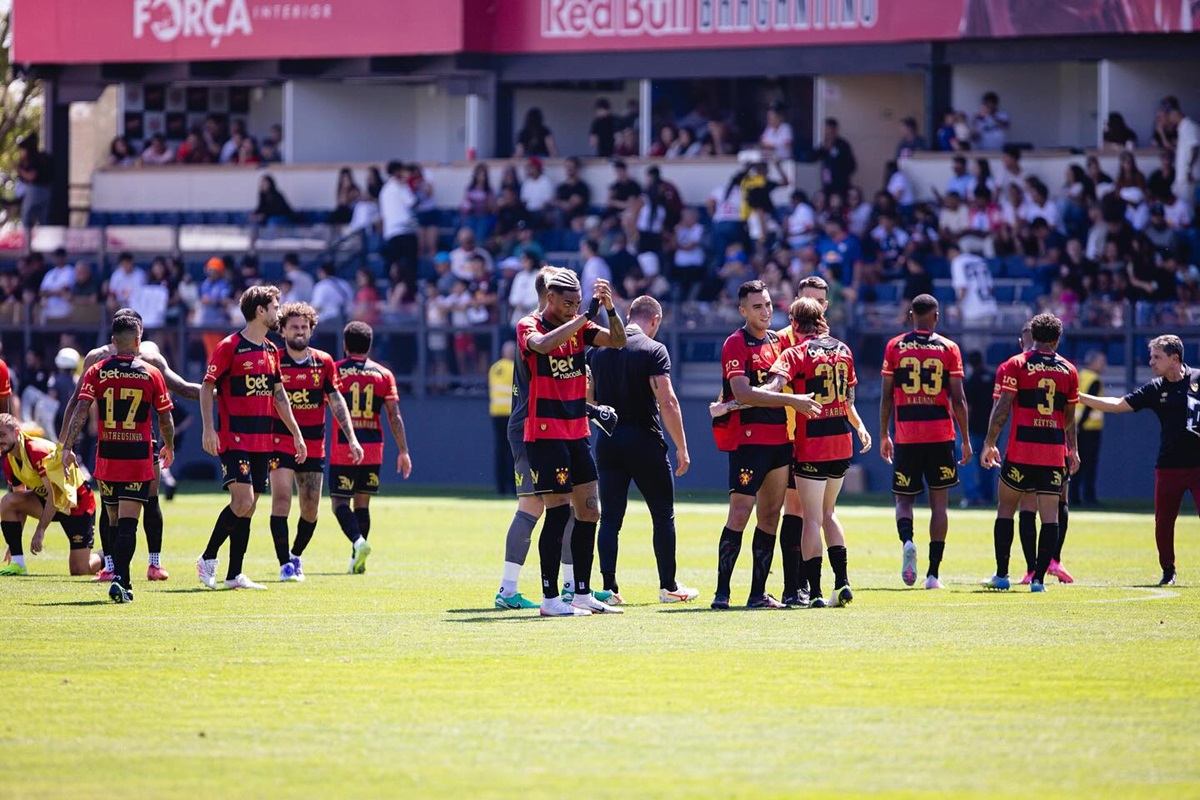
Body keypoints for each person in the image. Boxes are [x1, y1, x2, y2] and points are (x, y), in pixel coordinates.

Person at [58, 308, 201, 583]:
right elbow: (170, 407)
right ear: (139, 335)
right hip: (140, 449)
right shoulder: (142, 367)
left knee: (128, 507)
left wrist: (67, 445)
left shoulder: (102, 366)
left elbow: (78, 406)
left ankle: (146, 565)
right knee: (131, 514)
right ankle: (117, 571)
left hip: (111, 449)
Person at [515, 271, 627, 616]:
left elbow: (619, 341)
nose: (573, 308)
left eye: (577, 303)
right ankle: (550, 600)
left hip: (577, 430)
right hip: (545, 431)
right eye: (567, 303)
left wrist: (609, 309)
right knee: (558, 510)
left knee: (590, 510)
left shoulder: (580, 324)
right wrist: (583, 318)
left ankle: (581, 593)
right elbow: (543, 346)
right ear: (550, 298)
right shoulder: (529, 325)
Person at [709, 281, 821, 610]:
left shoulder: (779, 343)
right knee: (740, 513)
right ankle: (722, 593)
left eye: (769, 305)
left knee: (771, 516)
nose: (765, 311)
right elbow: (742, 392)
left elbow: (778, 381)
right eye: (757, 306)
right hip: (748, 442)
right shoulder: (735, 343)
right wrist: (791, 400)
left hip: (778, 442)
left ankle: (757, 593)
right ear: (742, 310)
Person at [589, 295, 698, 604]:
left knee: (610, 518)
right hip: (644, 440)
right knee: (663, 515)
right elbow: (667, 400)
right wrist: (682, 447)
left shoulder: (598, 350)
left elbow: (589, 398)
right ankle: (668, 586)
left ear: (628, 316)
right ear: (656, 320)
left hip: (608, 441)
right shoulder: (653, 349)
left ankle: (608, 589)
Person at [197, 286, 308, 591]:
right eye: (275, 307)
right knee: (242, 500)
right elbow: (207, 387)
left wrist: (296, 434)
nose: (278, 312)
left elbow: (279, 396)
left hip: (264, 441)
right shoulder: (230, 346)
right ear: (260, 311)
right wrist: (209, 428)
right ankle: (208, 558)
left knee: (251, 505)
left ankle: (235, 575)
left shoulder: (271, 350)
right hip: (235, 438)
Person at [766, 298, 869, 608]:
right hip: (841, 440)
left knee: (811, 519)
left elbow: (774, 386)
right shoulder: (844, 350)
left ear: (795, 323)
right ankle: (843, 582)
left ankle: (816, 592)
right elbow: (848, 399)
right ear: (821, 318)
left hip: (812, 443)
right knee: (829, 514)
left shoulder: (794, 353)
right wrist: (861, 427)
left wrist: (743, 398)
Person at [1077, 335, 1200, 586]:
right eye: (1151, 356)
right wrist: (1077, 396)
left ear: (1174, 358)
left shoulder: (1198, 377)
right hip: (1169, 465)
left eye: (1157, 357)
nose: (1151, 362)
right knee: (1163, 522)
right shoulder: (1156, 388)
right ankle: (1168, 570)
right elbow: (1117, 404)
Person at [980, 313, 1079, 593]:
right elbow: (1069, 417)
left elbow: (1002, 409)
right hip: (1052, 454)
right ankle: (1038, 581)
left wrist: (989, 443)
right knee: (1050, 517)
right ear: (1057, 339)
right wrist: (1073, 450)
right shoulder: (1069, 370)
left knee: (1006, 510)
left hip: (1021, 450)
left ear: (1032, 336)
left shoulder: (1017, 364)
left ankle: (1002, 574)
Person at [879, 295, 972, 590]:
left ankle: (907, 541)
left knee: (903, 500)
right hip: (941, 435)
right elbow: (958, 399)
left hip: (907, 434)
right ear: (936, 316)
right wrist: (967, 440)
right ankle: (933, 575)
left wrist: (884, 434)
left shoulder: (894, 346)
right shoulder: (949, 348)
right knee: (939, 507)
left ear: (910, 316)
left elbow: (886, 396)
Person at [269, 303, 363, 582]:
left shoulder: (323, 362)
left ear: (311, 329)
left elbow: (336, 401)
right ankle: (284, 563)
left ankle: (296, 555)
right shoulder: (274, 360)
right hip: (280, 441)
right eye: (294, 327)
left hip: (313, 444)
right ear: (283, 329)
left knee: (310, 508)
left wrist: (352, 439)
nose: (299, 332)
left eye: (304, 327)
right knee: (282, 499)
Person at [332, 322, 412, 575]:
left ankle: (358, 543)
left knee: (339, 503)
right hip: (373, 446)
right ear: (369, 345)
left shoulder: (334, 371)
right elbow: (394, 415)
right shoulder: (383, 374)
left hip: (345, 445)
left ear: (345, 345)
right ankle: (356, 557)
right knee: (362, 504)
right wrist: (403, 451)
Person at [0, 414, 99, 578]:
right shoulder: (9, 460)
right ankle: (17, 563)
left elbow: (55, 495)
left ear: (16, 432)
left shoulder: (36, 451)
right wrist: (13, 542)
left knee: (80, 570)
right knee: (8, 501)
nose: (0, 440)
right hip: (48, 502)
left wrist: (40, 531)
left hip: (76, 503)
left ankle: (108, 556)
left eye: (3, 435)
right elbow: (19, 501)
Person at [961, 350, 996, 508]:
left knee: (970, 462)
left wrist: (964, 428)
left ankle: (975, 495)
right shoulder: (992, 377)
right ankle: (987, 495)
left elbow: (968, 407)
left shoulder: (972, 380)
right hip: (991, 427)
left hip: (974, 427)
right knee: (988, 461)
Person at [1072, 350, 1106, 507]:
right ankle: (1088, 497)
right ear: (1093, 362)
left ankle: (1073, 497)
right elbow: (1089, 406)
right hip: (1089, 429)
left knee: (1075, 464)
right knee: (1089, 465)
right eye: (1101, 361)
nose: (1103, 365)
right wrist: (1080, 424)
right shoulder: (1094, 380)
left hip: (1075, 427)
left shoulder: (1079, 375)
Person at [488, 342, 516, 496]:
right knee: (512, 451)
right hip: (510, 413)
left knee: (499, 450)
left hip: (496, 412)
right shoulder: (513, 368)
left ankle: (500, 487)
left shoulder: (494, 368)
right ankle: (512, 485)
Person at [816, 118, 856, 198]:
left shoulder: (842, 144)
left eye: (829, 128)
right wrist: (824, 149)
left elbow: (851, 165)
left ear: (834, 129)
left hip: (841, 182)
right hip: (827, 181)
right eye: (825, 128)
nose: (827, 131)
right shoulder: (823, 144)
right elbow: (816, 156)